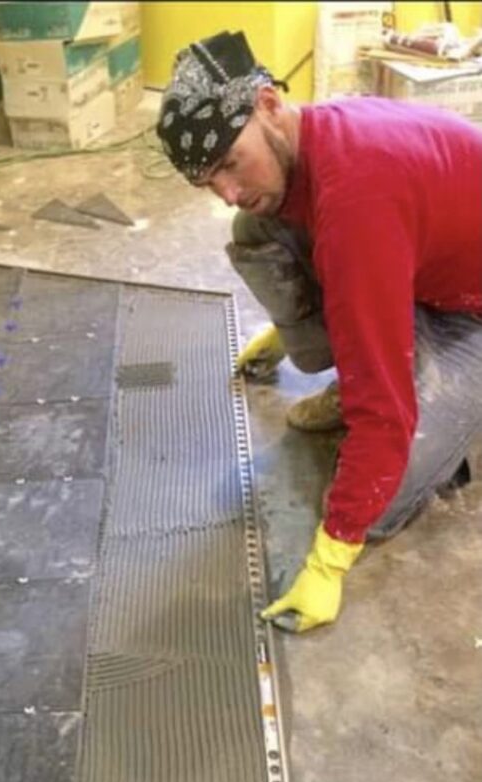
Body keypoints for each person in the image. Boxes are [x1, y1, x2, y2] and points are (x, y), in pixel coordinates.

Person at [156, 29, 482, 633]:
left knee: (379, 498)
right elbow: (306, 227)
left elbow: (384, 413)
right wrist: (292, 328)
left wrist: (330, 559)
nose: (228, 192)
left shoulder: (358, 202)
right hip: (423, 264)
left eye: (231, 162)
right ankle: (369, 348)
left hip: (472, 310)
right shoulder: (312, 141)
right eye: (210, 183)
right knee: (259, 231)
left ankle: (425, 396)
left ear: (269, 106)